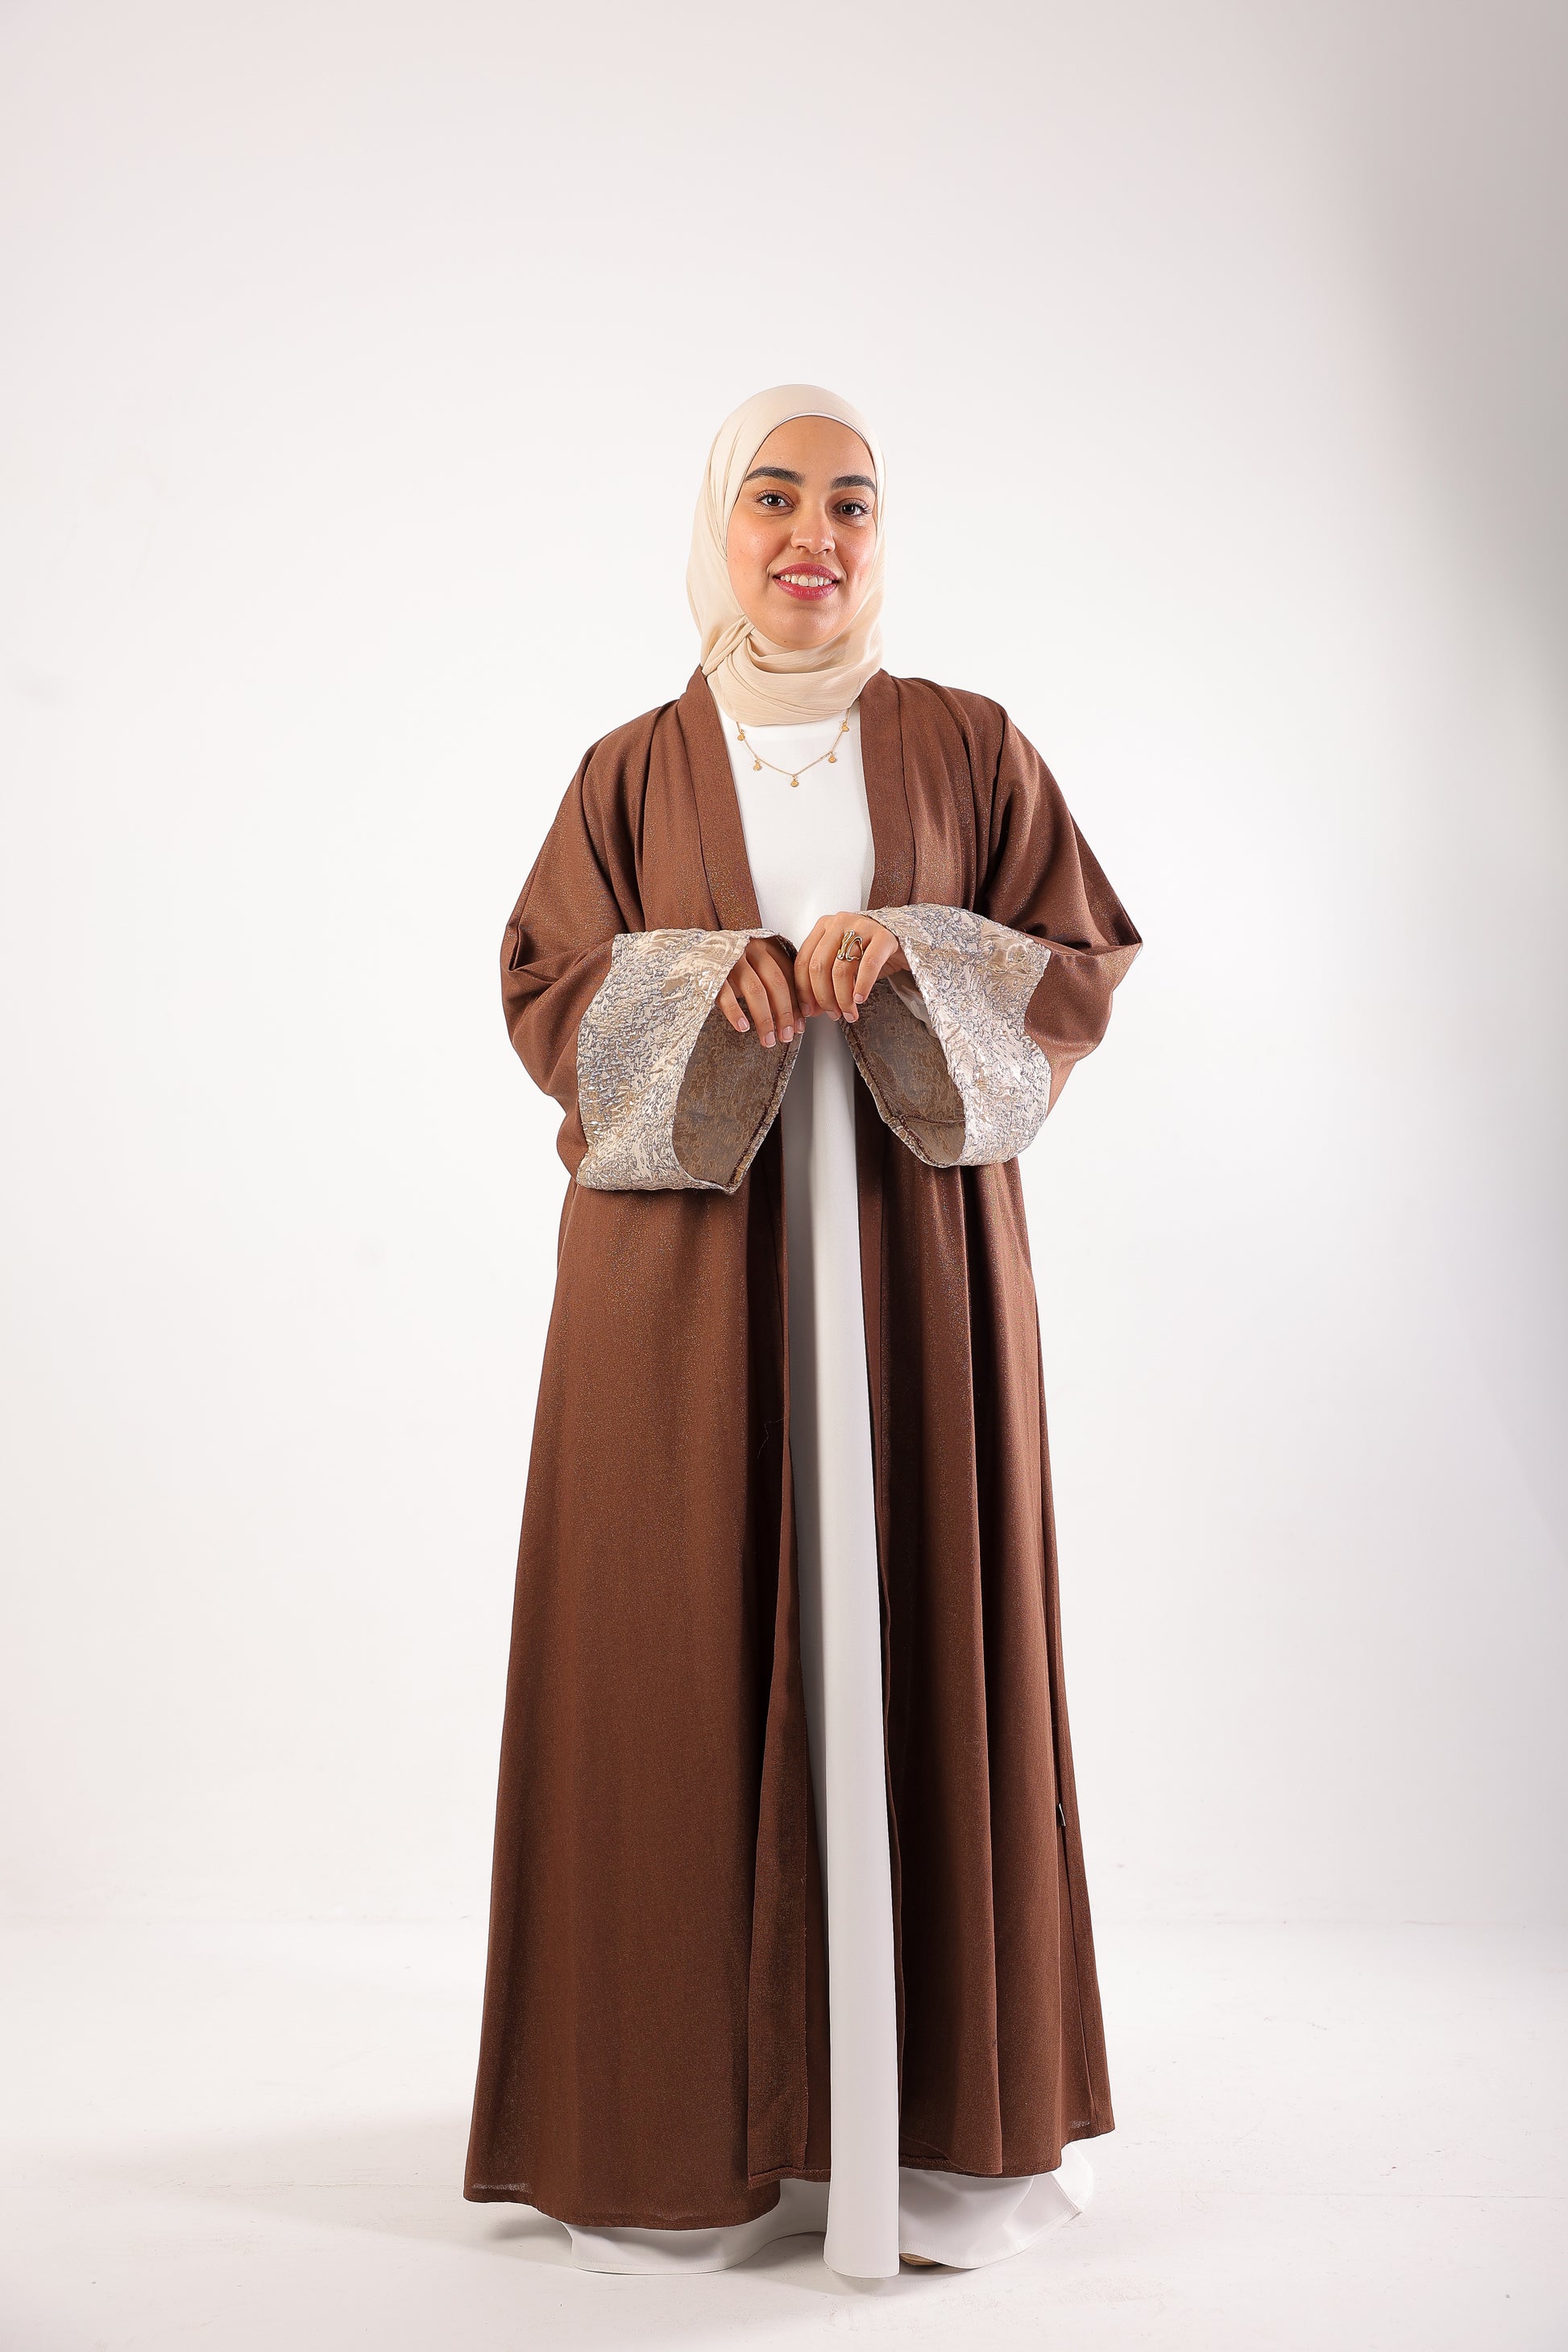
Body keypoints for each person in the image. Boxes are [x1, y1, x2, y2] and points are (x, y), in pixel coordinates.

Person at [463, 384, 1141, 2279]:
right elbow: (542, 994)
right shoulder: (627, 770)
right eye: (772, 496)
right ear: (719, 524)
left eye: (849, 500)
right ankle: (678, 2139)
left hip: (914, 1274)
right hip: (679, 1296)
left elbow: (1078, 968)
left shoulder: (968, 743)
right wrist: (714, 975)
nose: (810, 534)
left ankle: (931, 2141)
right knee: (667, 1650)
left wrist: (916, 947)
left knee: (917, 1625)